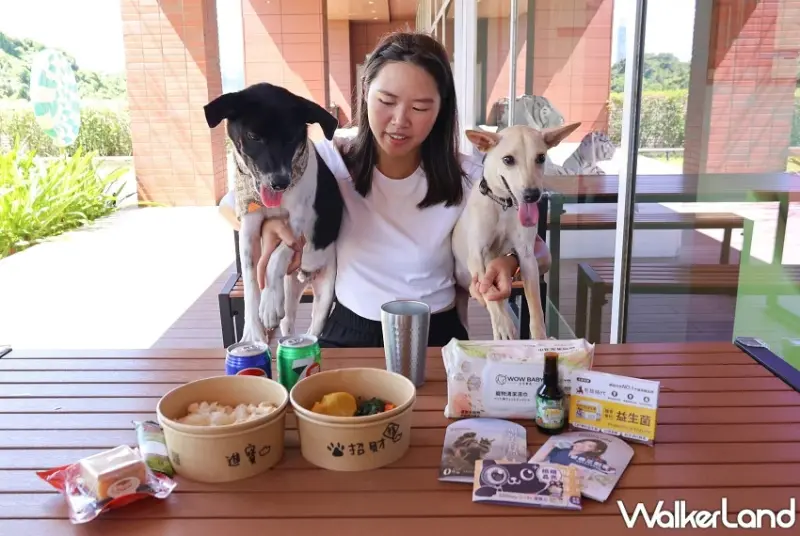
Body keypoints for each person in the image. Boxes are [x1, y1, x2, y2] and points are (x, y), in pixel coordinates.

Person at [219, 31, 551, 348]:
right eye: (387, 101)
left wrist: (508, 262)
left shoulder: (471, 176)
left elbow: (539, 251)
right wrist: (266, 222)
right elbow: (229, 204)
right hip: (348, 329)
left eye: (420, 108)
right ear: (366, 94)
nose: (399, 120)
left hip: (437, 333)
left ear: (441, 110)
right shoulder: (330, 162)